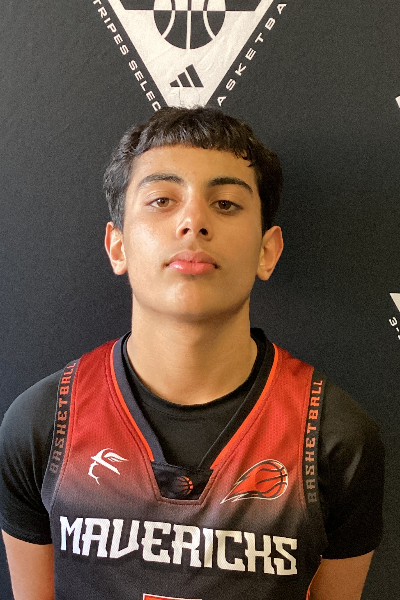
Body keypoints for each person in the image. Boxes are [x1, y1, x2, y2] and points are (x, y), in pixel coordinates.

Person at [0, 107, 384, 600]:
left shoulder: (336, 439)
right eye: (162, 200)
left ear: (267, 251)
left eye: (225, 203)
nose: (193, 221)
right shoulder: (42, 425)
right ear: (118, 246)